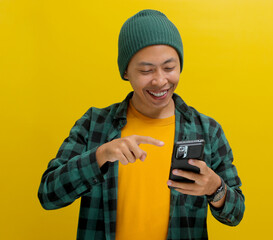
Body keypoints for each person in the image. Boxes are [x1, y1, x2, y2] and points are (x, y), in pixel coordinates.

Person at [38, 9, 245, 240]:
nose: (160, 80)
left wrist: (215, 188)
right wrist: (100, 155)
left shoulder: (207, 130)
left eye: (169, 68)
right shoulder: (94, 124)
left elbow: (235, 214)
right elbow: (48, 195)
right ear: (126, 71)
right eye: (146, 70)